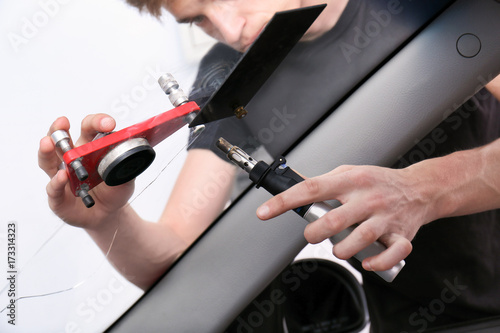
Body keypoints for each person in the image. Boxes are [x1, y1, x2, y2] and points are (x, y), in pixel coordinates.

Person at [38, 0, 500, 331]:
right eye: (199, 17)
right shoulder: (229, 76)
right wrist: (106, 220)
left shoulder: (425, 7)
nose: (229, 28)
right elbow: (176, 259)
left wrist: (424, 189)